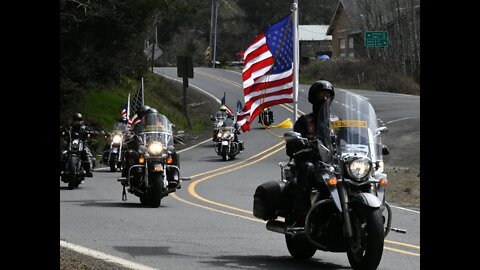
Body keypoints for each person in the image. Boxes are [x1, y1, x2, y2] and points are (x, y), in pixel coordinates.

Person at [289, 80, 335, 227]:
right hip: (312, 161)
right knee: (306, 168)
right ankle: (301, 213)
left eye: (328, 95)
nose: (325, 99)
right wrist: (300, 143)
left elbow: (349, 137)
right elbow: (291, 147)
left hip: (332, 163)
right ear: (314, 98)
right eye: (322, 95)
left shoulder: (336, 122)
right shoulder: (304, 121)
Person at [61, 113, 94, 177]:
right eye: (75, 120)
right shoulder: (69, 128)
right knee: (63, 154)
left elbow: (90, 131)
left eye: (79, 120)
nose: (77, 122)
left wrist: (90, 132)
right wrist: (62, 131)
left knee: (86, 153)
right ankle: (62, 168)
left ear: (81, 121)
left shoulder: (84, 128)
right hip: (70, 144)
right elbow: (63, 131)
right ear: (73, 120)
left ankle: (88, 170)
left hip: (82, 144)